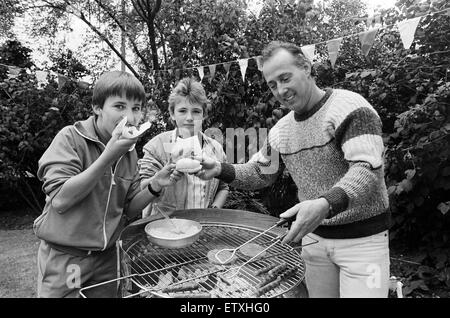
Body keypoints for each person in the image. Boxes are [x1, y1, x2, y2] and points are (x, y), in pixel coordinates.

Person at [195, 41, 391, 298]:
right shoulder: (281, 130)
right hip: (313, 239)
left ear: (306, 67)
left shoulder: (350, 107)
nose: (280, 90)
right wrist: (219, 168)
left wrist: (325, 204)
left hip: (363, 241)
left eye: (285, 78)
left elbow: (367, 170)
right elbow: (259, 173)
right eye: (272, 84)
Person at [34, 71, 182, 298]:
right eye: (120, 106)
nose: (130, 117)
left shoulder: (129, 152)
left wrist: (155, 185)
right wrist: (109, 156)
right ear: (97, 107)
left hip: (107, 258)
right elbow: (61, 200)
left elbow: (130, 208)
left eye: (136, 108)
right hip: (69, 258)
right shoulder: (71, 138)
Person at [139, 77, 228, 217]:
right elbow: (141, 189)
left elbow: (223, 187)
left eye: (196, 111)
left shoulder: (216, 148)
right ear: (172, 114)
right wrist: (159, 179)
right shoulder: (156, 147)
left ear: (204, 115)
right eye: (182, 111)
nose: (190, 118)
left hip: (203, 227)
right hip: (164, 228)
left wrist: (214, 210)